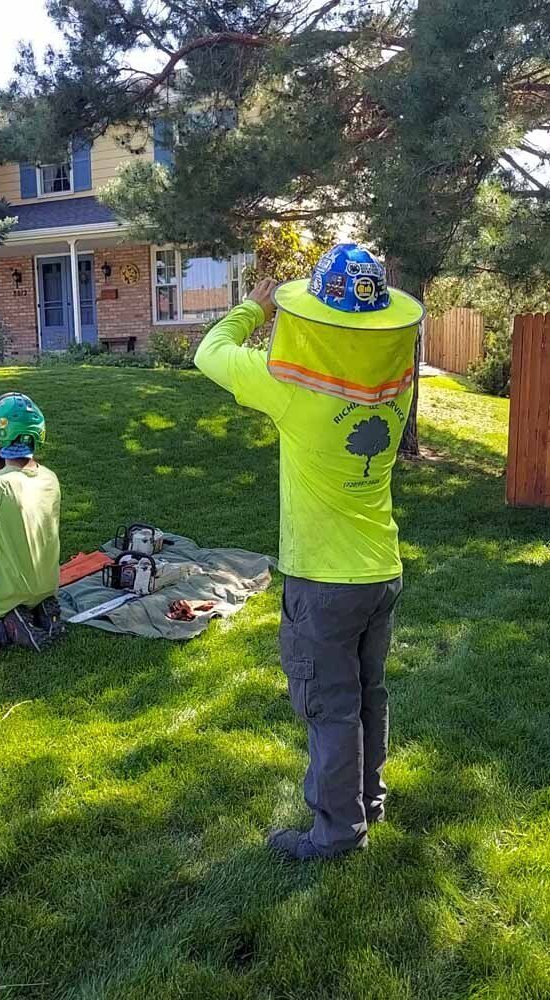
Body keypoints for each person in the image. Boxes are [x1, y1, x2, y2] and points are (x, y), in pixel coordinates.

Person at [195, 244, 424, 860]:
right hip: (381, 569)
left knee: (330, 708)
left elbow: (209, 353)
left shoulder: (291, 390)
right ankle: (367, 802)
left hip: (323, 580)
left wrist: (253, 308)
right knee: (368, 696)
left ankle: (334, 833)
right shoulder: (398, 386)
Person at [0, 392, 62, 653]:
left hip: (7, 596)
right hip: (47, 587)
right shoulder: (50, 478)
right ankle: (42, 611)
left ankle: (10, 622)